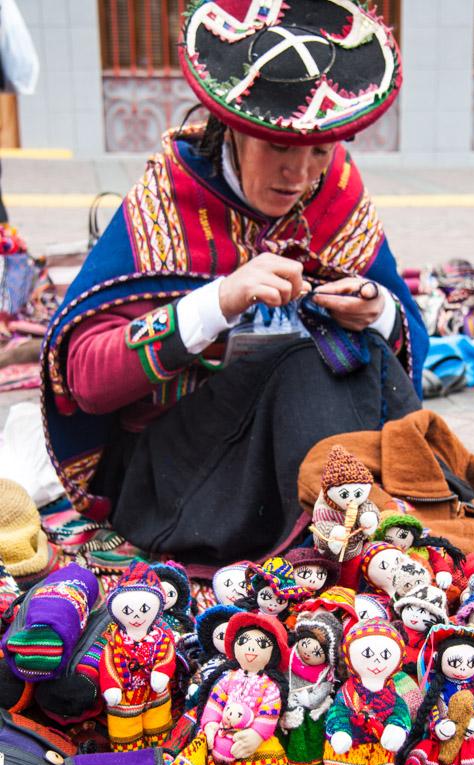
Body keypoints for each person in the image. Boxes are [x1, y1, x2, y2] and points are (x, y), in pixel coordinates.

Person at [42, 0, 428, 568]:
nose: (298, 176)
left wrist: (379, 312)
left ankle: (371, 522)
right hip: (175, 480)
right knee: (307, 362)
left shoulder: (337, 192)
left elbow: (409, 335)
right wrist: (215, 304)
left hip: (291, 459)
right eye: (277, 148)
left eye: (319, 151)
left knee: (358, 352)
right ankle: (340, 544)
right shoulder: (165, 203)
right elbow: (86, 379)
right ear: (233, 128)